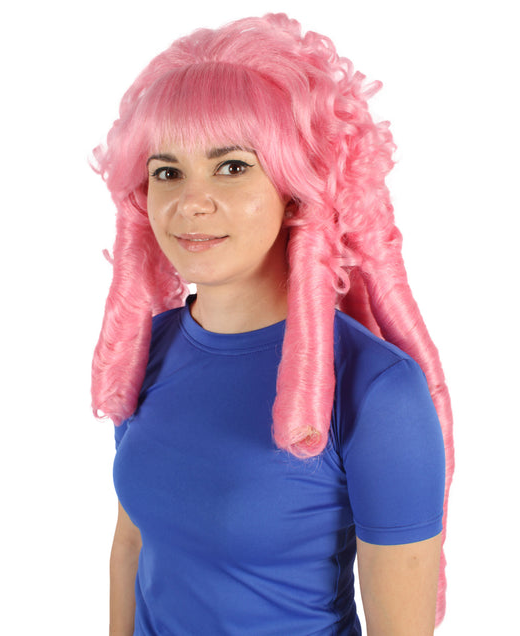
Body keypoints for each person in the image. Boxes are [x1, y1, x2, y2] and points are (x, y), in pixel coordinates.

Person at [92, 13, 454, 636]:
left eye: (232, 166)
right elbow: (134, 545)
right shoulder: (147, 351)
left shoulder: (378, 390)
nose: (190, 201)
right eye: (166, 171)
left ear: (295, 190)